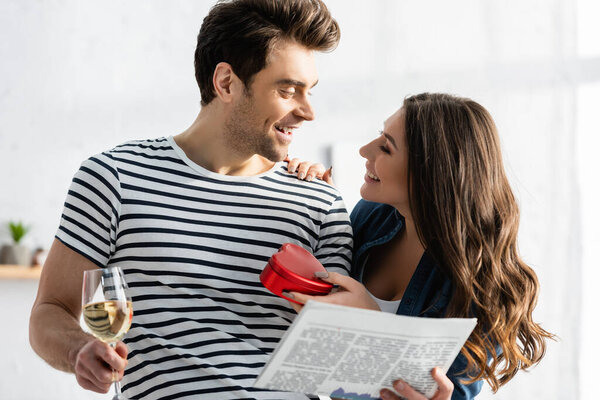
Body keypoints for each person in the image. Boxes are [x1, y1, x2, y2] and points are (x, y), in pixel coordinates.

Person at [28, 1, 353, 399]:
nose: (308, 111)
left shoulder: (318, 200)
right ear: (227, 83)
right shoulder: (114, 177)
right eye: (287, 90)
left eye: (309, 91)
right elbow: (49, 311)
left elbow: (340, 355)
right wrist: (79, 349)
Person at [287, 93, 554, 400]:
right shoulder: (372, 214)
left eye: (386, 147)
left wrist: (371, 323)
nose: (364, 150)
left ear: (431, 175)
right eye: (379, 136)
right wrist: (318, 205)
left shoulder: (484, 288)